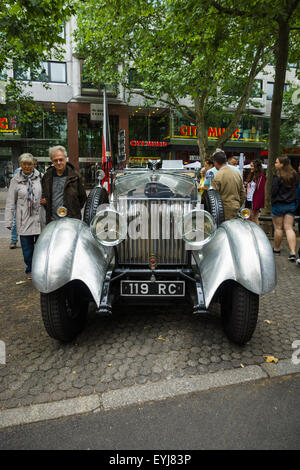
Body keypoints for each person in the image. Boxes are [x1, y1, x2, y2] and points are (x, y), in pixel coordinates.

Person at [5, 153, 43, 279]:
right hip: (24, 219)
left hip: (39, 219)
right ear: (20, 165)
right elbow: (10, 202)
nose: (27, 166)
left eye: (29, 164)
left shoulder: (40, 177)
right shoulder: (15, 180)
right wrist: (9, 222)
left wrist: (45, 199)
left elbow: (47, 194)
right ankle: (30, 269)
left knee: (40, 248)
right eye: (24, 164)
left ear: (34, 164)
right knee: (27, 250)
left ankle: (39, 269)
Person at [40, 145, 87, 224]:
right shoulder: (47, 176)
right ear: (52, 161)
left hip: (71, 221)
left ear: (65, 159)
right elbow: (44, 194)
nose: (58, 163)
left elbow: (82, 197)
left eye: (61, 160)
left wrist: (73, 209)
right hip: (52, 221)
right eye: (55, 160)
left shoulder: (75, 176)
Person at [271, 156, 299, 261]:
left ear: (282, 164)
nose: (275, 164)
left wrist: (272, 200)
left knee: (278, 228)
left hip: (278, 204)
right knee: (289, 228)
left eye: (276, 162)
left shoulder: (277, 176)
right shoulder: (294, 175)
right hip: (290, 204)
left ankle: (277, 249)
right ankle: (292, 252)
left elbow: (273, 191)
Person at [211, 150, 246, 220]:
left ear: (215, 162)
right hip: (236, 207)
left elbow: (214, 198)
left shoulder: (217, 176)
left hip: (223, 210)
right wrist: (238, 204)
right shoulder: (237, 173)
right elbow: (243, 193)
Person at [245, 160, 266, 225]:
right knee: (248, 218)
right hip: (248, 199)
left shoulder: (261, 177)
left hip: (254, 200)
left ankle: (257, 233)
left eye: (252, 166)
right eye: (250, 166)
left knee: (254, 218)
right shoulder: (251, 176)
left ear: (256, 167)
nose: (251, 167)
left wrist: (257, 203)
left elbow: (260, 191)